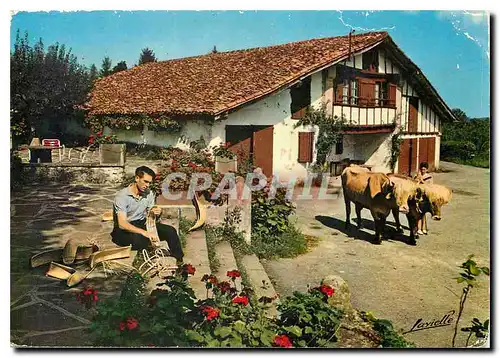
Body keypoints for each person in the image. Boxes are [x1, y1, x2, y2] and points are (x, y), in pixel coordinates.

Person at [111, 166, 184, 264]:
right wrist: (144, 232)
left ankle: (179, 261)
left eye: (150, 182)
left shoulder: (148, 193)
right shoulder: (122, 196)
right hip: (124, 231)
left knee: (170, 231)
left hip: (141, 223)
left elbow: (151, 216)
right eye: (145, 181)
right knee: (141, 239)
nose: (147, 185)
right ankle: (146, 263)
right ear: (137, 178)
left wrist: (157, 212)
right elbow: (122, 224)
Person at [414, 162, 433, 235]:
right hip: (418, 196)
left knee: (423, 213)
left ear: (426, 169)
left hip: (425, 197)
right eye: (422, 169)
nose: (423, 171)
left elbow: (430, 187)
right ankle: (418, 228)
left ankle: (423, 228)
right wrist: (418, 179)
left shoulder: (429, 177)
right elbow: (414, 184)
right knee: (419, 212)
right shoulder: (417, 176)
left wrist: (422, 181)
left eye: (424, 169)